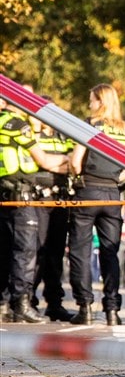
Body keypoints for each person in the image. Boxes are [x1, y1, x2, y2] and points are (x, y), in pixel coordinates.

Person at [67, 84, 125, 326]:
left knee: (80, 250)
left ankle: (84, 307)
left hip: (87, 191)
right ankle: (112, 311)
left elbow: (76, 162)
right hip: (112, 195)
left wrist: (76, 175)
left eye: (91, 100)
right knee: (110, 252)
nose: (89, 105)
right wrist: (114, 179)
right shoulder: (124, 130)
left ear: (100, 102)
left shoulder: (89, 125)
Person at [0, 95, 71, 323]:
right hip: (21, 196)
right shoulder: (18, 125)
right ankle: (21, 304)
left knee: (4, 251)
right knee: (25, 252)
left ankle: (3, 304)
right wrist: (72, 161)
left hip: (4, 194)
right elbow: (43, 161)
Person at [29, 108, 77, 321]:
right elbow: (40, 162)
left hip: (59, 201)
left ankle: (54, 303)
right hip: (39, 200)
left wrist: (53, 163)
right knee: (36, 252)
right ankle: (28, 300)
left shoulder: (62, 138)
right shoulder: (32, 135)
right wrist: (58, 162)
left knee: (56, 254)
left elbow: (72, 164)